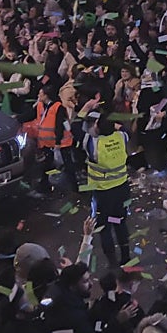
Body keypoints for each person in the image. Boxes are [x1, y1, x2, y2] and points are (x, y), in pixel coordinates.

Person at [84, 117, 130, 266]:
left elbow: (79, 129)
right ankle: (126, 257)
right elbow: (124, 130)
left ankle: (112, 261)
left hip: (103, 194)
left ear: (97, 128)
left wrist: (84, 111)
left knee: (104, 227)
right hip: (122, 190)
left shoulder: (94, 144)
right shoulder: (121, 137)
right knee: (119, 222)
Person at [34, 83, 75, 194]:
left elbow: (59, 126)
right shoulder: (40, 105)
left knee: (67, 165)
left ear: (46, 95)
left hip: (61, 143)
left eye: (40, 94)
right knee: (46, 164)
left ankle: (74, 188)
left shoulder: (58, 107)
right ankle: (44, 186)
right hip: (46, 143)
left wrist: (57, 142)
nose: (38, 95)